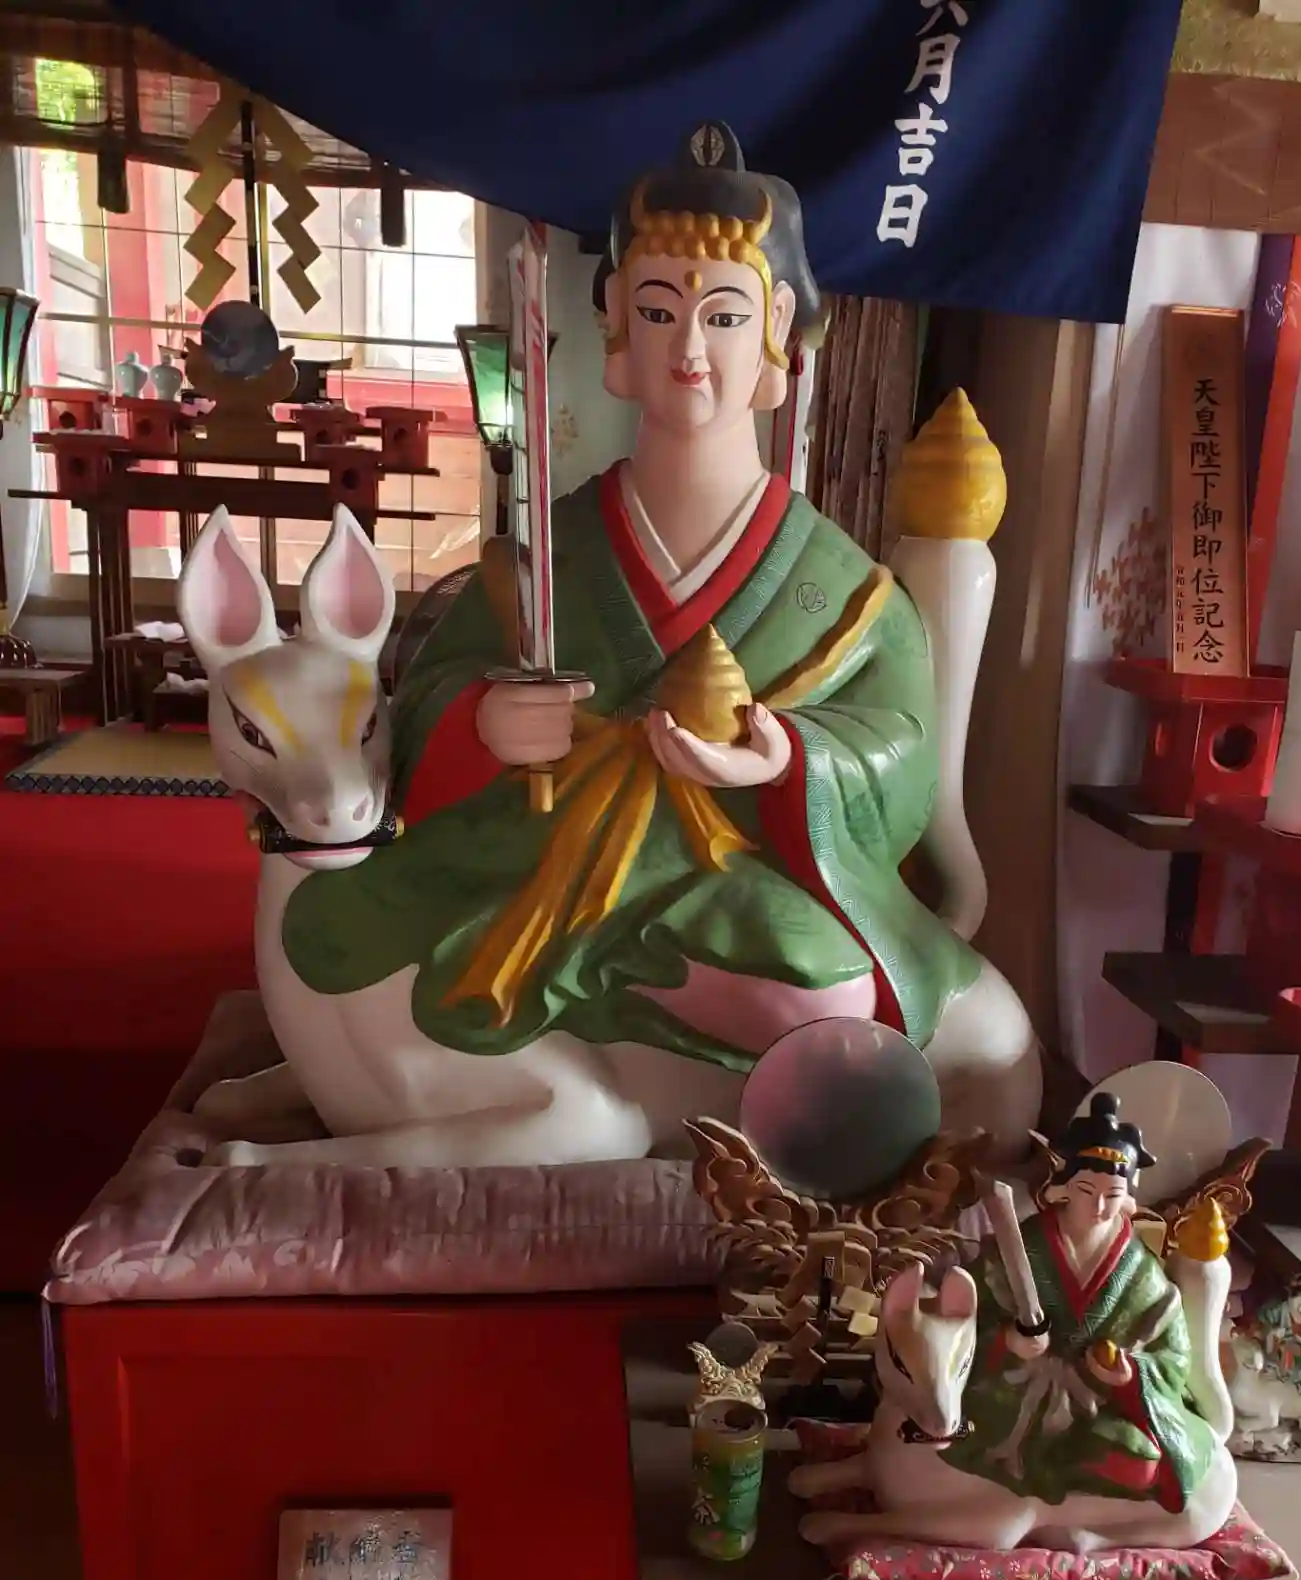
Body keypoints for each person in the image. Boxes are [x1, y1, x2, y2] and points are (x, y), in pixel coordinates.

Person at [278, 124, 989, 1087]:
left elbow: (900, 750)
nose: (689, 349)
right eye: (657, 311)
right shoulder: (548, 555)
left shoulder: (848, 590)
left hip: (731, 868)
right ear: (616, 321)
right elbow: (428, 693)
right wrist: (483, 720)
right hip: (537, 850)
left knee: (825, 995)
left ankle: (625, 1029)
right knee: (379, 929)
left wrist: (784, 755)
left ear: (778, 325)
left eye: (725, 316)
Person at [940, 1092, 1220, 1514]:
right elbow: (964, 1315)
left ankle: (1068, 1480)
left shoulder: (1143, 1271)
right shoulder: (1020, 1247)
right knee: (960, 1426)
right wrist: (1009, 1342)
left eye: (1113, 1194)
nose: (1100, 1206)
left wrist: (1129, 1374)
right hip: (1017, 1388)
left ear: (1128, 1197)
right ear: (1063, 1188)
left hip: (1101, 1403)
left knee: (1139, 1460)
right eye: (1087, 1190)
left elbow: (1174, 1353)